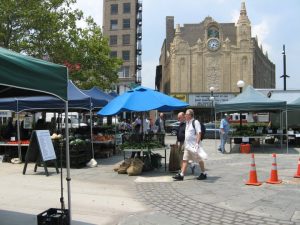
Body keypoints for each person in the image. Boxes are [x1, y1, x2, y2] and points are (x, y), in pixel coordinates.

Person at [173, 109, 207, 181]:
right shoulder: (187, 123)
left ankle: (204, 173)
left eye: (186, 114)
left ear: (190, 115)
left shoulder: (195, 122)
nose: (185, 115)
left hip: (194, 146)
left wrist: (197, 144)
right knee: (185, 159)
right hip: (187, 146)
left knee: (199, 159)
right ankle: (181, 175)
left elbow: (199, 133)